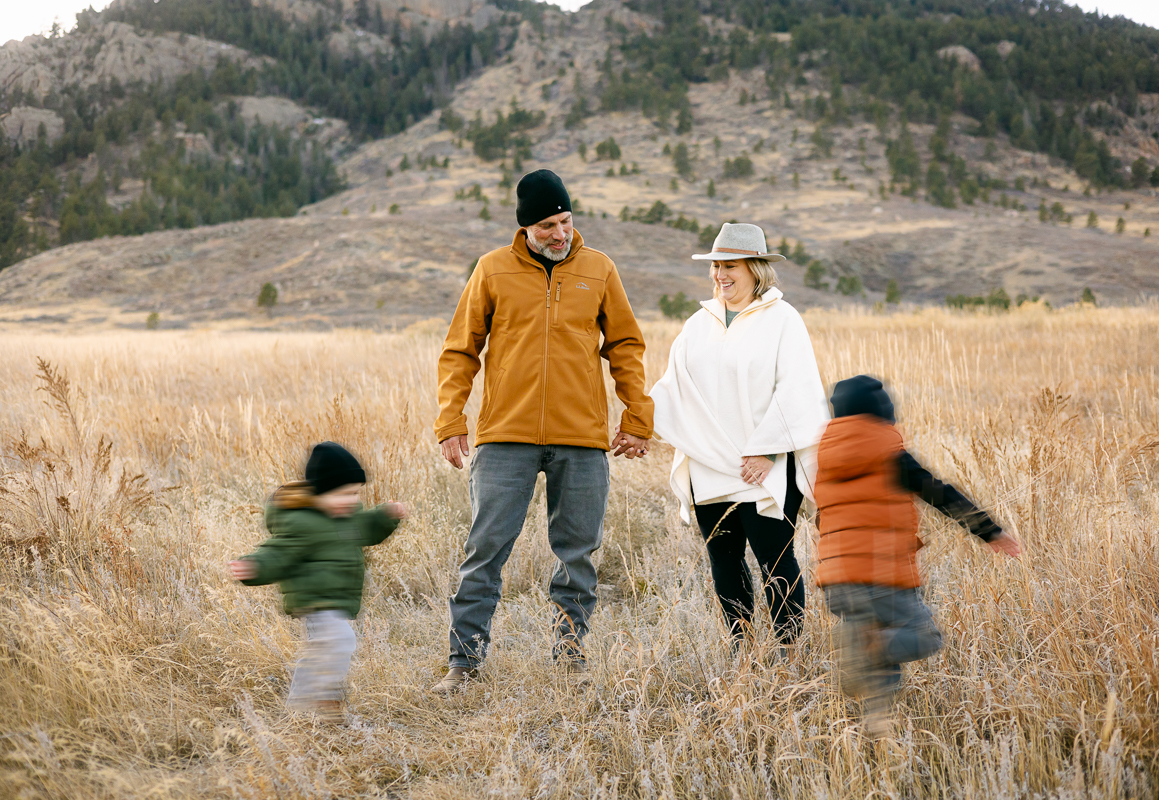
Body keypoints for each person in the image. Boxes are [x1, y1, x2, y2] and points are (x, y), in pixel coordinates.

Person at [432, 169, 653, 693]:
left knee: (578, 554)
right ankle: (463, 665)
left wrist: (638, 418)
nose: (561, 234)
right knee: (484, 551)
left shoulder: (599, 269)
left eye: (567, 220)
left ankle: (571, 659)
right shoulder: (492, 270)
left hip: (581, 439)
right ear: (526, 228)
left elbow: (625, 346)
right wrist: (449, 420)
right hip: (505, 436)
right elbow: (460, 351)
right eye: (549, 225)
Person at [650, 222, 829, 652]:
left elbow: (799, 388)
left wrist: (767, 450)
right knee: (724, 564)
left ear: (755, 268)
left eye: (729, 266)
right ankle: (743, 654)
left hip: (764, 469)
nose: (720, 275)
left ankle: (789, 655)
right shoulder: (698, 324)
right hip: (710, 466)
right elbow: (675, 386)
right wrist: (638, 424)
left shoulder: (783, 320)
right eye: (715, 267)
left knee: (775, 562)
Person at [813, 375, 1022, 737]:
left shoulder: (825, 460)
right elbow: (939, 493)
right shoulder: (888, 453)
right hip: (882, 575)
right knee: (925, 636)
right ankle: (867, 645)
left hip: (837, 581)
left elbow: (823, 518)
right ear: (882, 414)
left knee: (882, 671)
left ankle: (877, 727)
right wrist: (991, 532)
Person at [228, 442, 409, 723]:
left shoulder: (348, 518)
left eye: (355, 494)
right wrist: (255, 567)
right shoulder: (303, 523)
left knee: (328, 649)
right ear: (320, 493)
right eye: (344, 494)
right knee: (338, 641)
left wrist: (386, 516)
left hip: (336, 603)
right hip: (314, 602)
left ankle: (313, 704)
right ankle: (317, 701)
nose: (351, 501)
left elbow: (370, 528)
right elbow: (278, 553)